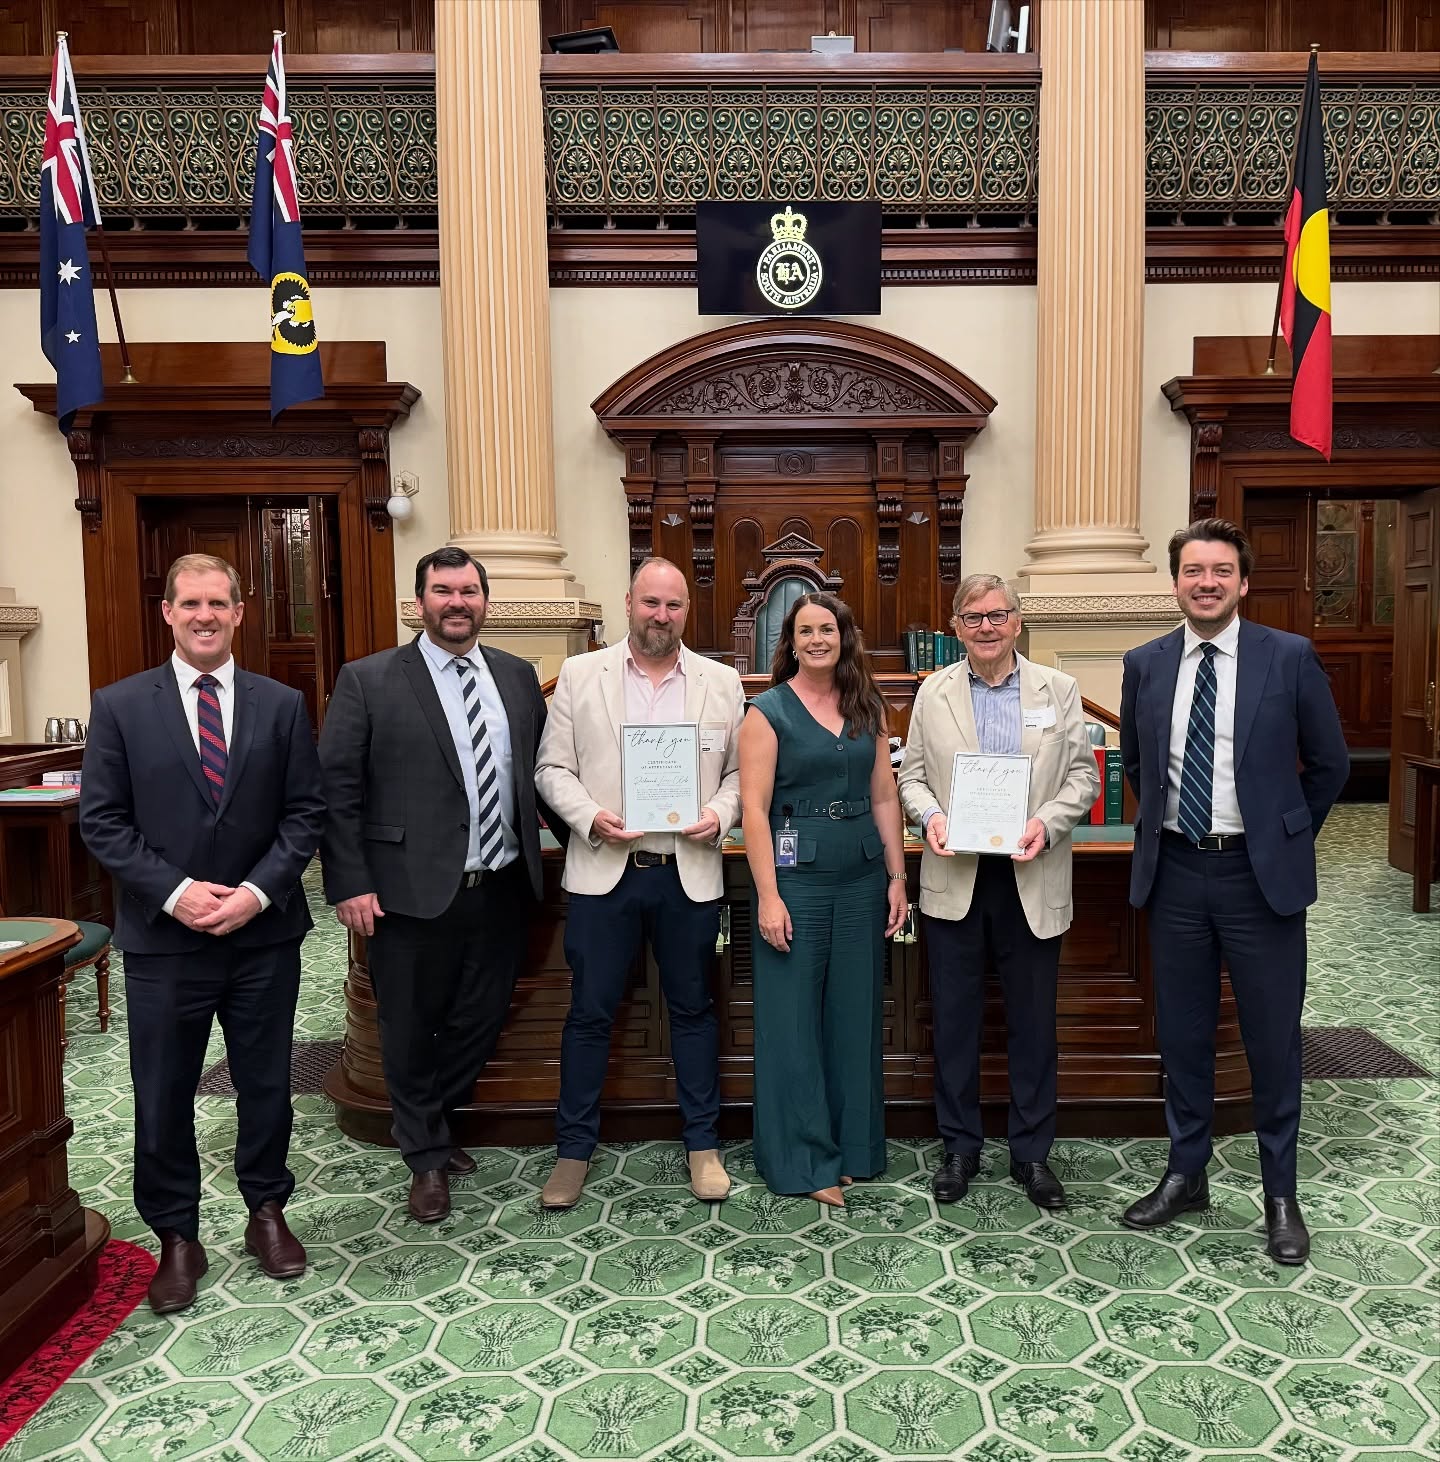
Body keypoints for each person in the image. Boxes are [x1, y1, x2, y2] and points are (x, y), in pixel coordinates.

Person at [79, 553, 324, 1314]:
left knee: (266, 1086)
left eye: (219, 602)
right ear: (168, 612)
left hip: (262, 935)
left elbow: (305, 815)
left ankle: (266, 1211)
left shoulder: (282, 704)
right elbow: (103, 822)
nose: (205, 615)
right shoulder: (121, 706)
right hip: (164, 941)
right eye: (191, 603)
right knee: (161, 1094)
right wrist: (178, 893)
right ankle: (177, 1236)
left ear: (240, 611)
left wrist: (254, 893)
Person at [1120, 518, 1348, 1263]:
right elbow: (1135, 767)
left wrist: (1282, 839)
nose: (1207, 582)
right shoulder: (1146, 663)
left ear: (1242, 583)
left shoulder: (1289, 657)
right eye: (1194, 571)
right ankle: (1187, 1173)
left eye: (1221, 571)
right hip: (1178, 873)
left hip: (1260, 879)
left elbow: (1330, 764)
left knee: (1271, 1041)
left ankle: (1281, 1195)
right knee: (1183, 1036)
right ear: (1176, 581)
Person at [318, 546, 559, 1224]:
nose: (458, 602)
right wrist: (350, 881)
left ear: (485, 601)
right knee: (407, 1025)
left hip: (501, 885)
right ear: (419, 601)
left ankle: (428, 1122)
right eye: (443, 590)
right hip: (405, 891)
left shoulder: (516, 677)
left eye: (469, 591)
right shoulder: (369, 679)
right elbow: (335, 791)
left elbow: (540, 777)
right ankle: (424, 1154)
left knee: (479, 1022)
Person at [534, 558, 745, 1209]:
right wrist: (590, 817)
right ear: (628, 602)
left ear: (688, 610)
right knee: (590, 1014)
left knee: (693, 1010)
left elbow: (740, 775)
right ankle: (573, 1151)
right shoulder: (580, 675)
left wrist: (721, 813)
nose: (661, 615)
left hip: (687, 873)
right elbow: (551, 770)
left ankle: (702, 1145)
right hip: (606, 872)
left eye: (674, 605)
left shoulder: (721, 680)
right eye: (651, 603)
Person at [898, 575, 1099, 1210]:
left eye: (998, 615)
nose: (986, 627)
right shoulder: (933, 692)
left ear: (1017, 623)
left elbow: (1081, 778)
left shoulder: (1059, 690)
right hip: (956, 878)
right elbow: (912, 778)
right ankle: (960, 1146)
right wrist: (929, 817)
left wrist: (1047, 822)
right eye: (973, 617)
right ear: (955, 627)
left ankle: (1032, 1153)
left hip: (1029, 874)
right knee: (955, 1022)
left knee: (1033, 1024)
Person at [739, 592, 908, 1206]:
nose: (818, 639)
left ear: (844, 636)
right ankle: (803, 1161)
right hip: (797, 885)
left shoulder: (868, 706)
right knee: (791, 1024)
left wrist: (897, 878)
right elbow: (753, 811)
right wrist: (767, 895)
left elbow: (886, 797)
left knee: (854, 1016)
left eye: (828, 629)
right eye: (805, 630)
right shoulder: (767, 712)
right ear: (789, 640)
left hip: (862, 879)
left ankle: (854, 1148)